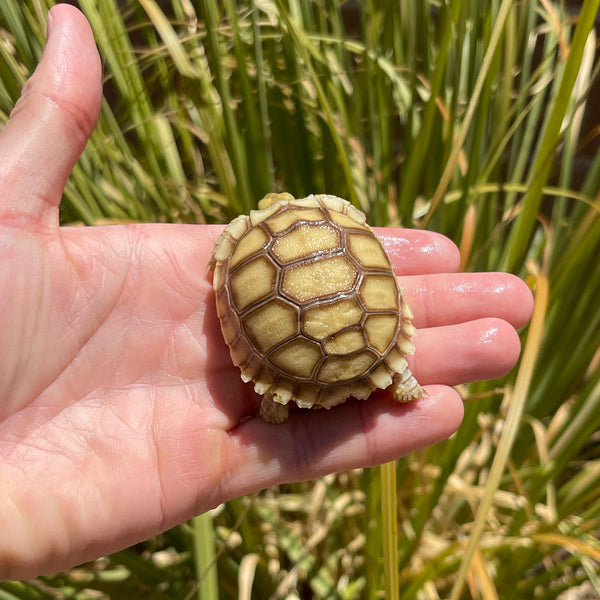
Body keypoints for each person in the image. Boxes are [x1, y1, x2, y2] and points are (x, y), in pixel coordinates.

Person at [0, 4, 533, 580]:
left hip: (288, 359)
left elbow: (232, 283)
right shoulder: (333, 220)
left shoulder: (237, 249)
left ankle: (280, 400)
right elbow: (358, 239)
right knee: (380, 352)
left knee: (277, 387)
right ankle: (395, 373)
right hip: (367, 340)